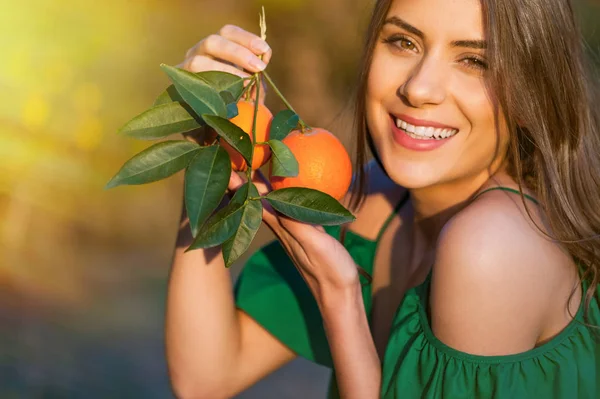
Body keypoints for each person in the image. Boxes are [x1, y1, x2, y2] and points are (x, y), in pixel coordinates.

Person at [165, 0, 600, 397]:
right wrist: (214, 154)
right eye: (403, 41)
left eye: (474, 60)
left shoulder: (491, 248)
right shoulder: (375, 203)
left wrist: (342, 301)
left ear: (532, 93)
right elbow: (207, 377)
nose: (419, 88)